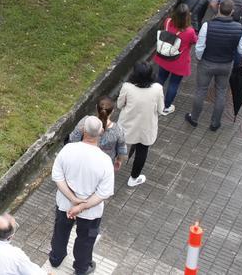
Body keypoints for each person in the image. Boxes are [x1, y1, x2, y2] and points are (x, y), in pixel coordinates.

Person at [49, 115, 114, 275]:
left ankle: (56, 258)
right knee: (86, 239)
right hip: (91, 212)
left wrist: (72, 200)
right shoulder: (105, 161)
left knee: (60, 231)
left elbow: (57, 177)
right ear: (101, 132)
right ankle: (81, 268)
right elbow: (104, 192)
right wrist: (82, 206)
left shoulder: (68, 150)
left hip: (65, 204)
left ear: (83, 129)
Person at [184, 0, 242, 131]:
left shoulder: (207, 26)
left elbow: (200, 46)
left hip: (207, 63)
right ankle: (215, 123)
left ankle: (194, 118)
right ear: (232, 12)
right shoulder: (239, 28)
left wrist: (199, 58)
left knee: (201, 90)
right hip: (226, 65)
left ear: (219, 8)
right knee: (221, 92)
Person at [116, 62, 163, 187]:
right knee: (142, 152)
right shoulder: (158, 88)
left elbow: (119, 105)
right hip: (146, 128)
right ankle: (133, 178)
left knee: (115, 147)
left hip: (127, 126)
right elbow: (160, 109)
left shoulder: (127, 87)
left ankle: (106, 172)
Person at [154, 2, 197, 114]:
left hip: (164, 57)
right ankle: (166, 107)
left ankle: (153, 101)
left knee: (160, 79)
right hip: (179, 62)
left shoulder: (168, 22)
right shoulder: (189, 31)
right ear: (188, 16)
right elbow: (194, 41)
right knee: (173, 84)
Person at [67, 97, 126, 170]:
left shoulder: (85, 121)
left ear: (96, 107)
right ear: (112, 111)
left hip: (83, 162)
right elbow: (122, 149)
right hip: (104, 166)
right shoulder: (118, 130)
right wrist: (119, 160)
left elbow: (72, 140)